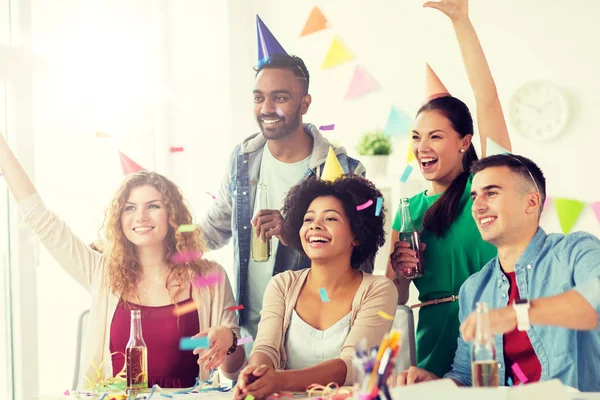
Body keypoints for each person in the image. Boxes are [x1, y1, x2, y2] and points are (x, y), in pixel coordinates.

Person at [0, 132, 245, 388]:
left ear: (173, 215)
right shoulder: (101, 271)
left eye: (153, 206)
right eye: (130, 207)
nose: (140, 216)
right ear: (119, 218)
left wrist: (228, 341)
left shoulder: (210, 277)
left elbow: (234, 370)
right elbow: (41, 219)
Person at [200, 53, 365, 347]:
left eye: (280, 97)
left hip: (316, 338)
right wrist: (141, 244)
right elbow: (214, 229)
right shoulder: (242, 160)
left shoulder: (344, 171)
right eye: (258, 97)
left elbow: (361, 263)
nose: (266, 108)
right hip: (250, 337)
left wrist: (294, 235)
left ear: (305, 103)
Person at [396, 154, 600, 392]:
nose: (477, 206)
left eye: (491, 193)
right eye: (474, 196)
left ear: (531, 202)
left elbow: (593, 303)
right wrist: (436, 385)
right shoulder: (474, 289)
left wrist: (516, 314)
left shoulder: (575, 251)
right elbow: (466, 376)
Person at [386, 0, 511, 378]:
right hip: (431, 339)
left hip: (490, 328)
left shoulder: (484, 186)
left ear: (464, 141)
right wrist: (400, 272)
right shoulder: (408, 210)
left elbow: (487, 100)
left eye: (435, 136)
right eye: (416, 137)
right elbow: (395, 299)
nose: (422, 147)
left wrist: (461, 23)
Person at [232, 175, 398, 399]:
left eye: (330, 218)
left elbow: (353, 366)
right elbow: (266, 349)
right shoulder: (282, 285)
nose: (315, 226)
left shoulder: (378, 289)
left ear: (357, 235)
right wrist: (255, 375)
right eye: (308, 219)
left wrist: (279, 380)